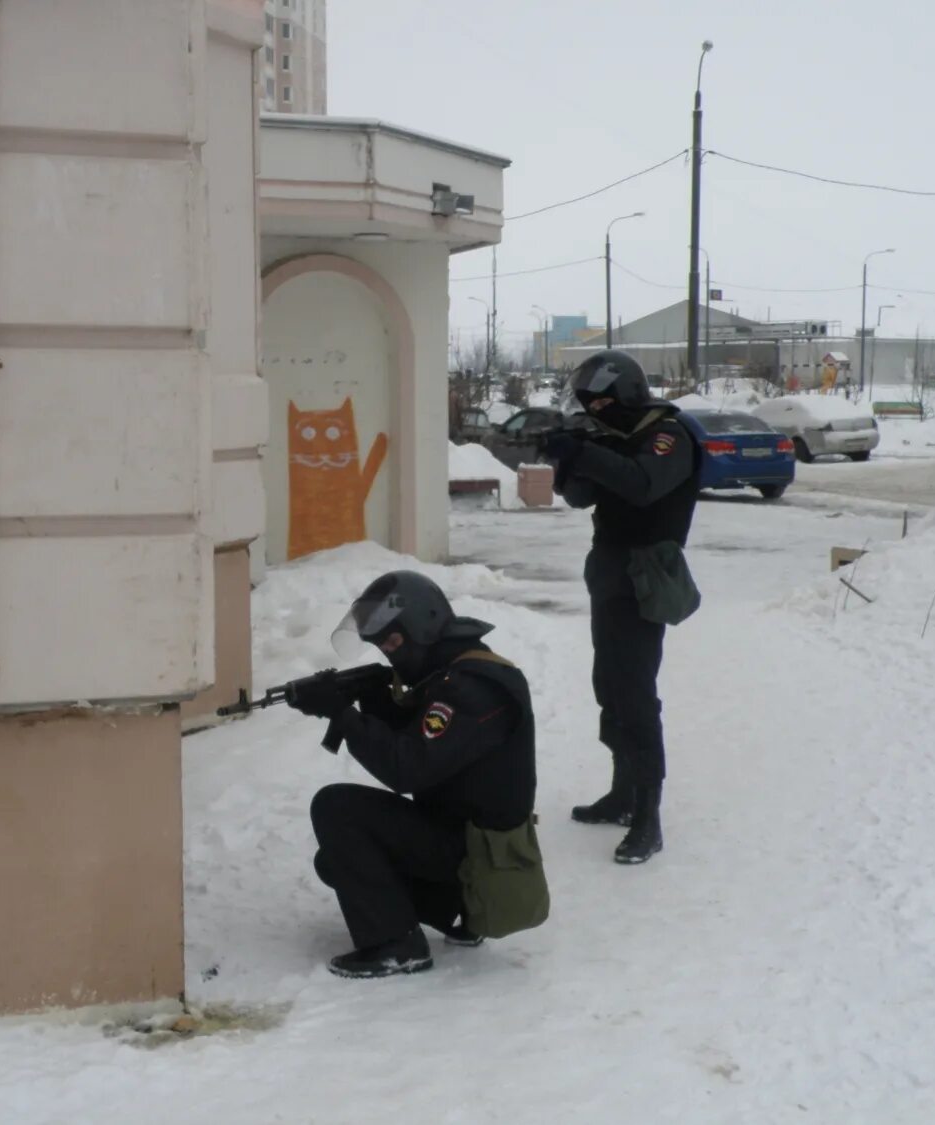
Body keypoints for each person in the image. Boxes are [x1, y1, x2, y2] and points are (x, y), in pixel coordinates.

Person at [289, 571, 539, 978]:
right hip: (466, 844)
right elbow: (426, 745)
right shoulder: (448, 673)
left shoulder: (473, 687)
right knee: (335, 862)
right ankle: (454, 913)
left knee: (336, 807)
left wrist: (343, 716)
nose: (388, 654)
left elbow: (407, 769)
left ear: (424, 622)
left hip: (485, 861)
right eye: (381, 645)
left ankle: (397, 945)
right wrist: (374, 702)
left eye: (392, 641)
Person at [540, 351, 699, 865]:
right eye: (589, 405)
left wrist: (586, 452)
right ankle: (622, 794)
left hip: (647, 578)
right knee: (609, 687)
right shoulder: (616, 437)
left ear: (627, 393)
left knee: (635, 694)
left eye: (601, 402)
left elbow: (641, 483)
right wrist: (568, 456)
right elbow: (581, 497)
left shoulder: (668, 435)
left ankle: (648, 817)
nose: (596, 411)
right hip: (609, 574)